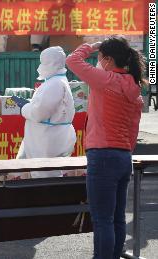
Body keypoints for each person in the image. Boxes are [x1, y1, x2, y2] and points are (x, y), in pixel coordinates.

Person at [66, 36, 145, 259]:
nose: (98, 61)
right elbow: (134, 127)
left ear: (108, 60)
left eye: (100, 58)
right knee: (117, 218)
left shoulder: (105, 79)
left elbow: (72, 60)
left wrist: (91, 46)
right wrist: (126, 150)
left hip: (101, 155)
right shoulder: (133, 86)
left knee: (102, 220)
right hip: (122, 156)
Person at [12, 46, 76, 178]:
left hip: (48, 141)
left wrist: (24, 107)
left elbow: (38, 113)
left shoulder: (55, 84)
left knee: (46, 177)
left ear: (53, 63)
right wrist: (30, 104)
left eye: (44, 63)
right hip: (48, 139)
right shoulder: (55, 82)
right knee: (46, 175)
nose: (41, 66)